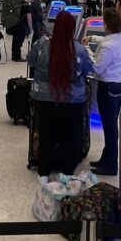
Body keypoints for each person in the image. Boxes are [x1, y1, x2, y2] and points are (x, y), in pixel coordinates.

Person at [28, 11, 94, 180]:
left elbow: (31, 61)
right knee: (69, 136)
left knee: (46, 135)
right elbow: (88, 70)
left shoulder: (41, 45)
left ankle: (43, 171)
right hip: (73, 99)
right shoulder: (78, 50)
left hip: (43, 97)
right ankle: (67, 172)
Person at [84, 7, 121, 176]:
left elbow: (97, 70)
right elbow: (104, 41)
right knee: (111, 126)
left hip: (108, 89)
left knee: (109, 128)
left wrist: (88, 52)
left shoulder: (108, 47)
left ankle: (110, 165)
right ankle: (106, 158)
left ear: (107, 24)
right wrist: (92, 38)